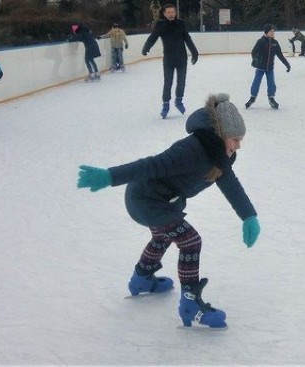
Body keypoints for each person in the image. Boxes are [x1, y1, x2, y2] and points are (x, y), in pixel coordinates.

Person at [76, 93, 260, 329]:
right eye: (235, 139)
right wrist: (110, 176)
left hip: (162, 201)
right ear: (222, 135)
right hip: (146, 200)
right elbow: (150, 165)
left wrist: (248, 215)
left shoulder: (221, 155)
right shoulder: (192, 150)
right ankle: (190, 305)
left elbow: (230, 184)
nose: (238, 146)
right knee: (190, 241)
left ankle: (141, 278)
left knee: (162, 236)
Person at [142, 4, 200, 119]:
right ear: (164, 14)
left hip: (182, 58)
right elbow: (153, 37)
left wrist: (194, 52)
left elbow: (187, 38)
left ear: (175, 13)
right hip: (169, 59)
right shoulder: (160, 25)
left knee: (181, 81)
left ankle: (179, 101)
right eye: (168, 12)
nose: (170, 14)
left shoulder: (181, 24)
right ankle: (166, 105)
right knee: (168, 82)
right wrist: (146, 47)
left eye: (172, 12)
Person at [246, 24, 290, 109]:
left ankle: (271, 98)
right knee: (256, 83)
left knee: (271, 84)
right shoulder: (261, 41)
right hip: (260, 67)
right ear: (266, 32)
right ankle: (252, 97)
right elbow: (254, 52)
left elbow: (280, 55)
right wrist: (255, 59)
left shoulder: (275, 43)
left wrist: (287, 64)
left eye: (273, 31)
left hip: (270, 68)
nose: (273, 32)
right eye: (271, 31)